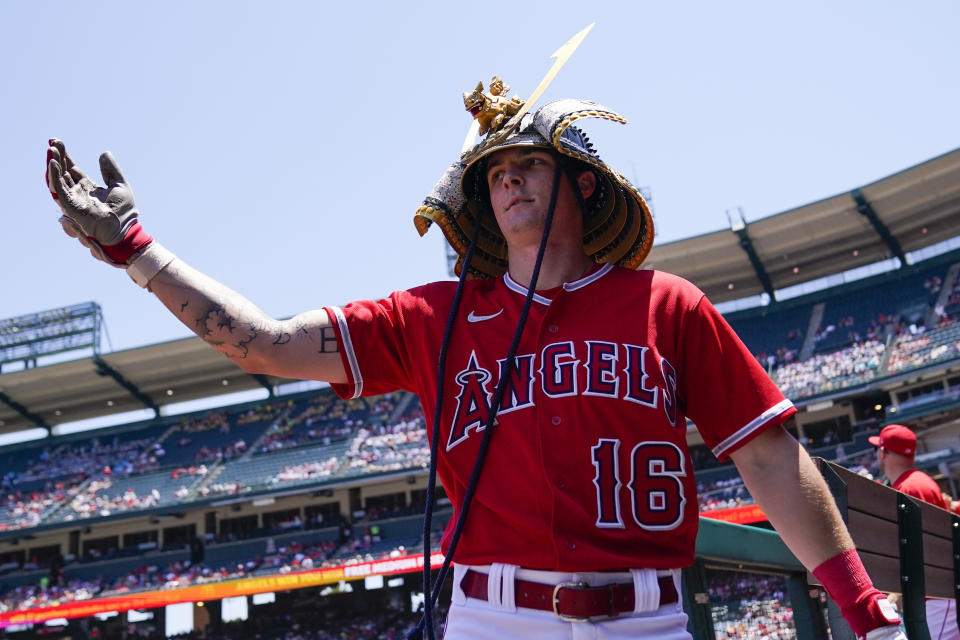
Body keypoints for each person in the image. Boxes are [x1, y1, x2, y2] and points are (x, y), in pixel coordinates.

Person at [45, 85, 904, 639]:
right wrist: (136, 251)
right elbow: (260, 341)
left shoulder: (666, 304)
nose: (510, 180)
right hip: (495, 616)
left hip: (648, 618)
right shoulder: (433, 316)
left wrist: (863, 609)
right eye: (495, 172)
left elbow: (767, 457)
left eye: (532, 164)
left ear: (585, 185)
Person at [871, 424, 958, 639]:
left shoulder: (908, 488)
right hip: (936, 592)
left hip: (937, 595)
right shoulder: (918, 482)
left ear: (884, 452)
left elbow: (920, 553)